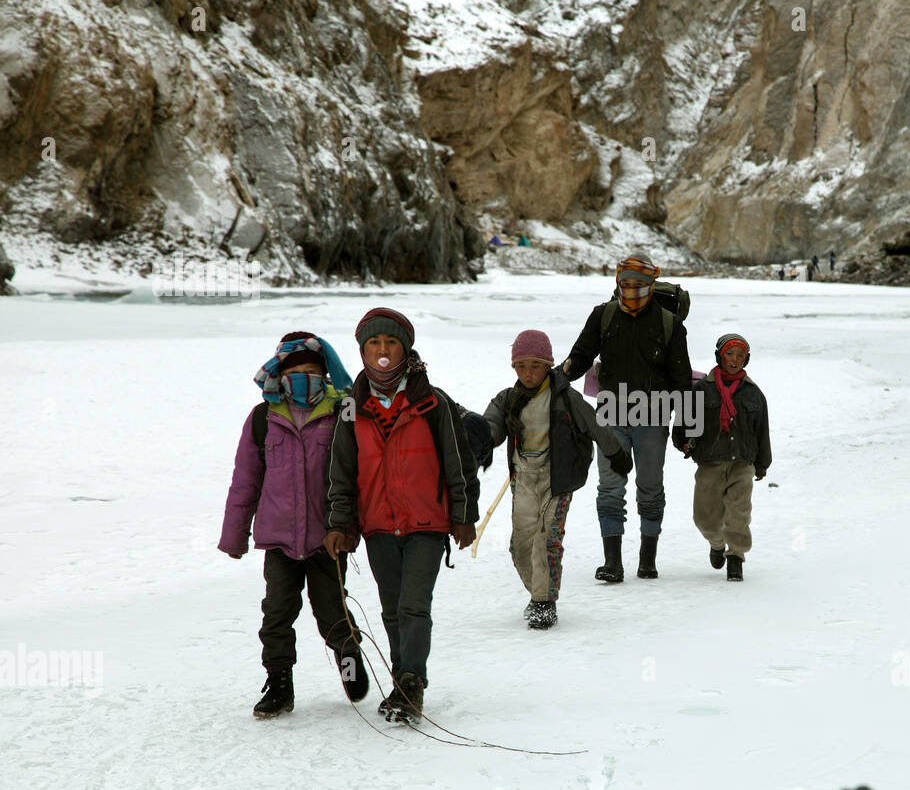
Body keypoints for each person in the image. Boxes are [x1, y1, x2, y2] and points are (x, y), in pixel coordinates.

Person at [323, 308, 479, 721]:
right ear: (362, 352)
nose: (382, 351)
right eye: (374, 343)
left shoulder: (432, 402)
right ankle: (402, 679)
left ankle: (412, 681)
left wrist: (463, 516)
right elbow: (341, 474)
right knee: (391, 609)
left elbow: (458, 461)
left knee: (413, 606)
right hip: (377, 525)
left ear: (405, 349)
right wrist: (341, 524)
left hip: (427, 523)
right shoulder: (350, 409)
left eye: (390, 342)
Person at [220, 331, 366, 718]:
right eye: (295, 370)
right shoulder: (263, 418)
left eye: (313, 370)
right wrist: (235, 534)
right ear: (280, 374)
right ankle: (279, 684)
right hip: (279, 539)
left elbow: (357, 475)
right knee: (277, 615)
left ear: (326, 373)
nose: (304, 376)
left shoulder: (343, 411)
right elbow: (245, 481)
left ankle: (349, 663)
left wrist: (350, 529)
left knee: (333, 613)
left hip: (327, 538)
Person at [484, 331, 632, 629]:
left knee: (547, 539)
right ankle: (538, 592)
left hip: (557, 477)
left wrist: (615, 453)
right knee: (522, 545)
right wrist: (478, 442)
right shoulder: (508, 399)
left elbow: (594, 424)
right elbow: (490, 428)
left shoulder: (565, 398)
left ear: (549, 365)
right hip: (523, 478)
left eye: (536, 366)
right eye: (521, 366)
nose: (528, 373)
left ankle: (544, 601)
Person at [561, 254, 693, 582]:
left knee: (649, 488)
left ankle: (647, 559)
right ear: (617, 283)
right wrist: (553, 379)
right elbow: (579, 359)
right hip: (611, 415)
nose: (631, 289)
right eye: (626, 283)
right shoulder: (602, 316)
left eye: (638, 284)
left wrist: (685, 425)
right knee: (609, 488)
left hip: (654, 418)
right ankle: (613, 563)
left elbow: (681, 377)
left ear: (650, 284)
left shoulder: (669, 324)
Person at [673, 333, 771, 583]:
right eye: (729, 354)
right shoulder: (701, 390)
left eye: (740, 355)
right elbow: (683, 424)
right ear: (719, 356)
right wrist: (682, 441)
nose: (735, 360)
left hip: (742, 463)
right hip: (710, 461)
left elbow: (762, 431)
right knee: (704, 517)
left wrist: (762, 463)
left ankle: (736, 557)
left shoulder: (754, 394)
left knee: (739, 512)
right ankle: (716, 543)